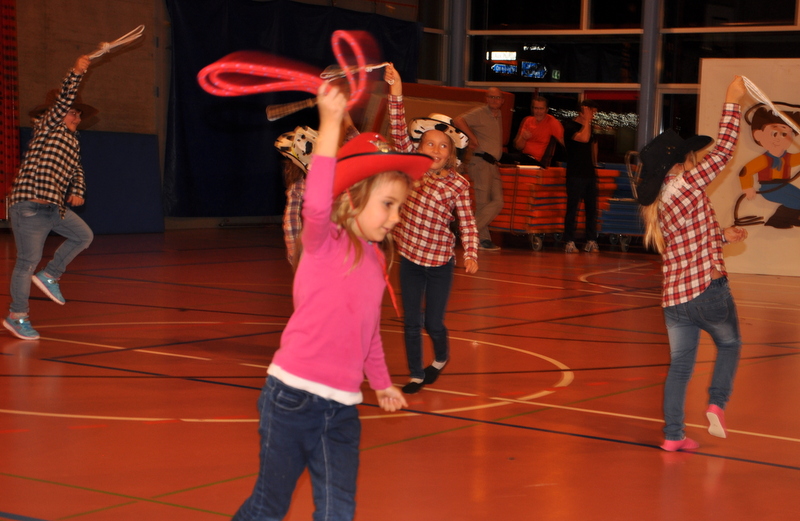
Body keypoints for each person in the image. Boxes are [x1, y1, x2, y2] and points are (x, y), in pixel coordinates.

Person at [232, 84, 431, 521]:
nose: (396, 217)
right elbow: (317, 201)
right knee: (270, 504)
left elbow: (369, 331)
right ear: (353, 197)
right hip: (291, 398)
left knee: (338, 509)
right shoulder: (324, 242)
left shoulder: (376, 260)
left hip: (342, 407)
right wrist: (329, 124)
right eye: (388, 205)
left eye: (400, 207)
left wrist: (382, 383)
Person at [637, 76, 747, 452]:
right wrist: (732, 101)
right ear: (682, 163)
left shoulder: (663, 202)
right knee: (730, 344)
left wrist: (722, 236)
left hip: (675, 300)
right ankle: (717, 402)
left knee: (680, 368)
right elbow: (725, 151)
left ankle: (673, 436)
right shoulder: (688, 184)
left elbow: (690, 240)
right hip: (708, 291)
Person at [384, 64, 480, 394]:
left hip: (439, 263)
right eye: (429, 144)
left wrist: (471, 253)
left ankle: (440, 357)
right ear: (419, 147)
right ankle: (415, 374)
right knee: (411, 320)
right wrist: (396, 89)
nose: (435, 150)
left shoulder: (458, 184)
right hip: (411, 258)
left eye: (443, 146)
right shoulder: (411, 166)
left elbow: (467, 221)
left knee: (432, 322)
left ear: (451, 153)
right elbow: (398, 127)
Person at [4, 55, 96, 341]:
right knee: (26, 262)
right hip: (29, 206)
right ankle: (17, 316)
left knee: (83, 236)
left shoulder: (72, 141)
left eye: (78, 114)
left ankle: (50, 275)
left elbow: (77, 169)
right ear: (56, 114)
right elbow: (62, 100)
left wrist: (78, 190)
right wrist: (76, 72)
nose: (76, 117)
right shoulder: (47, 128)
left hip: (53, 208)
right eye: (71, 113)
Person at [454, 88, 506, 251]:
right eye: (491, 97)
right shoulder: (480, 112)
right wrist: (472, 137)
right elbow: (458, 120)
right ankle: (481, 239)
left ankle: (471, 231)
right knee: (483, 203)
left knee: (498, 201)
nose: (494, 100)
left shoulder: (498, 115)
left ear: (502, 101)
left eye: (497, 97)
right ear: (486, 98)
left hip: (492, 164)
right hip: (481, 162)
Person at [737, 104, 800, 228]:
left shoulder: (787, 158)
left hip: (784, 185)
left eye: (784, 134)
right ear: (758, 135)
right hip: (770, 188)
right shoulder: (764, 159)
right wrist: (747, 187)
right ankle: (777, 220)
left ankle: (788, 218)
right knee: (795, 202)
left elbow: (795, 159)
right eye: (774, 133)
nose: (779, 139)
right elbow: (745, 171)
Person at [274, 125, 318, 265]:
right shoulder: (299, 185)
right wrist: (297, 256)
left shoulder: (300, 185)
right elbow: (292, 220)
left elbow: (291, 221)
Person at [562, 99, 600, 253]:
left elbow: (593, 144)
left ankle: (591, 240)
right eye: (591, 111)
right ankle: (569, 241)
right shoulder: (570, 126)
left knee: (592, 209)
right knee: (573, 208)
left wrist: (594, 165)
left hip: (589, 173)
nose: (593, 115)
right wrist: (586, 121)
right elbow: (583, 138)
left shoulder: (590, 128)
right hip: (575, 174)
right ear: (583, 111)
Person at [512, 96, 565, 167]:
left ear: (546, 110)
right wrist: (523, 138)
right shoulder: (527, 120)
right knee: (504, 157)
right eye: (536, 108)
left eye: (541, 109)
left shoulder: (553, 123)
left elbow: (564, 142)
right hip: (524, 158)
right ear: (532, 109)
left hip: (539, 162)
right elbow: (518, 147)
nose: (538, 111)